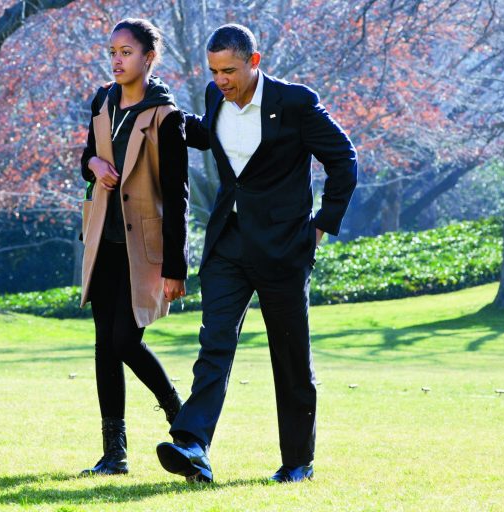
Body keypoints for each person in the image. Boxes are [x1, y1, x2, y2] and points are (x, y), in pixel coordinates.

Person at [155, 24, 358, 483]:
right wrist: (166, 116)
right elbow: (212, 135)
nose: (221, 79)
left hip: (284, 249)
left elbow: (343, 159)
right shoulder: (215, 96)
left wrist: (320, 227)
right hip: (228, 243)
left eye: (229, 70)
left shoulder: (296, 103)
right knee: (215, 343)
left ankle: (297, 462)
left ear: (254, 61)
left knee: (290, 356)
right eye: (214, 71)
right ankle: (192, 444)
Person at [78, 18, 190, 477]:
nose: (117, 60)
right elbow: (86, 158)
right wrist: (94, 163)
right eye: (113, 52)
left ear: (149, 57)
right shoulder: (102, 101)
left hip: (142, 246)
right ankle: (114, 454)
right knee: (105, 346)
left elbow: (177, 196)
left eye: (126, 52)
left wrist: (176, 266)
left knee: (125, 340)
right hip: (101, 241)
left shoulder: (166, 116)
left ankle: (182, 418)